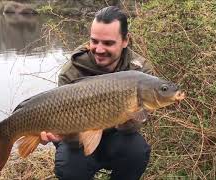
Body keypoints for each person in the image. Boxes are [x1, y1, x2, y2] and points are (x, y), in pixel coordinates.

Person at [40, 6, 153, 180]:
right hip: (77, 141)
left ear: (125, 40)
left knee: (137, 152)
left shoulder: (140, 72)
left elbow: (135, 128)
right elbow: (69, 140)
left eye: (108, 43)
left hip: (118, 137)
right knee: (69, 169)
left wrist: (129, 118)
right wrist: (59, 133)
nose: (99, 49)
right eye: (94, 41)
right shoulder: (71, 72)